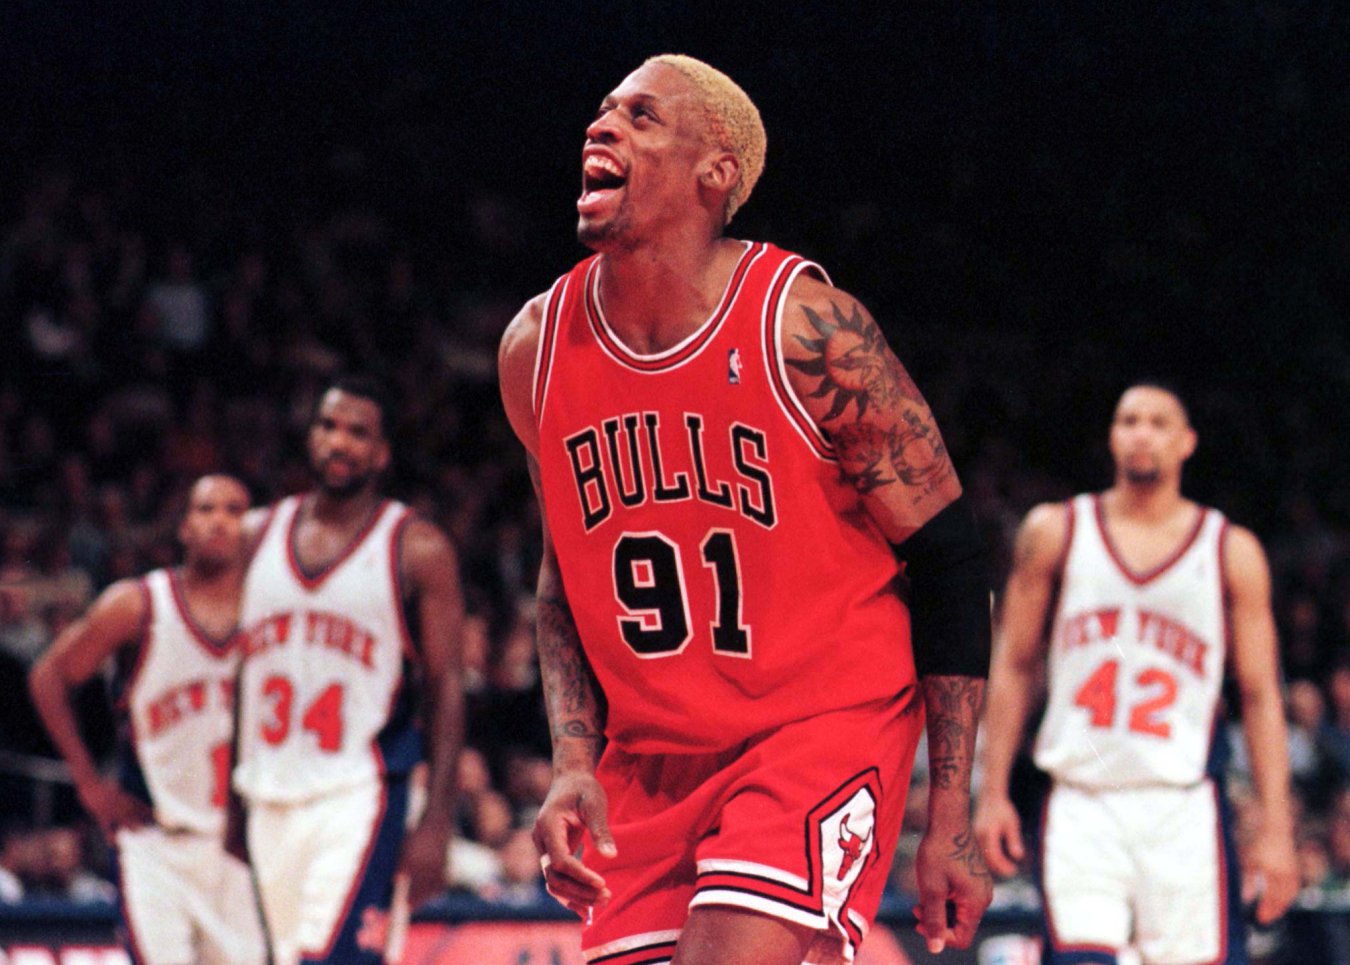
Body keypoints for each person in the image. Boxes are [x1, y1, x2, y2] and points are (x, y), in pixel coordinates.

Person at [498, 54, 992, 965]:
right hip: (650, 758)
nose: (600, 127)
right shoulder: (535, 349)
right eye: (602, 112)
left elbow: (951, 558)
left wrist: (950, 813)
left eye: (641, 117)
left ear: (714, 173)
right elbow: (563, 572)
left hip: (818, 725)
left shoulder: (805, 328)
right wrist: (573, 760)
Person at [973, 383, 1300, 965]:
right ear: (1112, 437)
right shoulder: (1057, 531)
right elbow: (1014, 663)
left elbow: (1259, 695)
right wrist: (992, 790)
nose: (1141, 432)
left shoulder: (1229, 549)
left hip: (1182, 806)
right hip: (1080, 800)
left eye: (1157, 421)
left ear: (1186, 443)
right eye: (1128, 420)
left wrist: (1276, 830)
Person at [231, 374, 465, 965]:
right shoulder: (255, 535)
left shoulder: (417, 548)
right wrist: (228, 798)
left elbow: (447, 688)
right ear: (310, 438)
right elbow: (233, 680)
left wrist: (437, 819)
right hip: (264, 796)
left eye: (358, 433)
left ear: (382, 454)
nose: (340, 443)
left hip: (360, 797)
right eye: (329, 426)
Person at [28, 474, 267, 964]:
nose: (220, 521)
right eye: (206, 509)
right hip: (159, 844)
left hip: (246, 849)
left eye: (234, 509)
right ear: (183, 527)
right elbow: (48, 677)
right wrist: (89, 783)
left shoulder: (273, 614)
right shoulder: (137, 604)